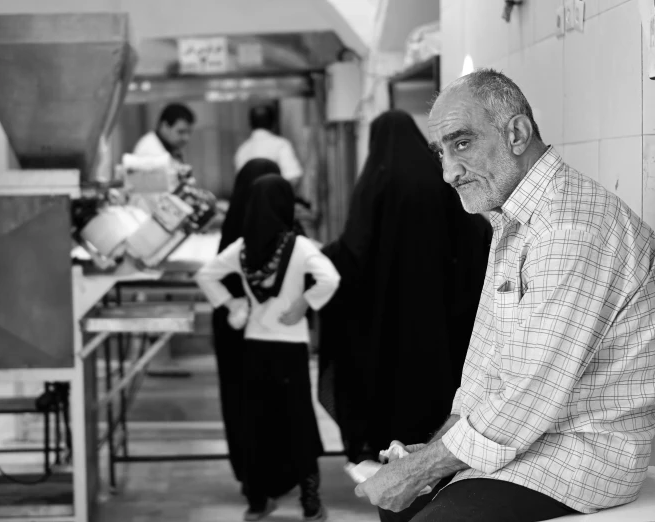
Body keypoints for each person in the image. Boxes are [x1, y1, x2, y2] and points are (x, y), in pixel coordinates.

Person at [355, 69, 655, 522]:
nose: (448, 173)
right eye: (440, 152)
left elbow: (528, 397)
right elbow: (483, 370)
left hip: (583, 453)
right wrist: (430, 455)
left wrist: (422, 469)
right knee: (402, 506)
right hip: (533, 439)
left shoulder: (570, 228)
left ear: (516, 133)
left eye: (461, 143)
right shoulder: (513, 218)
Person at [318, 109, 491, 469]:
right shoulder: (440, 178)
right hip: (440, 318)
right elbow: (476, 236)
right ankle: (437, 454)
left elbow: (355, 250)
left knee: (387, 379)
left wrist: (320, 259)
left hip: (385, 318)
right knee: (439, 381)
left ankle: (387, 451)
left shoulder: (374, 182)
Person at [196, 175, 339, 522]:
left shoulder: (242, 248)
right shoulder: (299, 246)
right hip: (290, 348)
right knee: (299, 422)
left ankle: (257, 502)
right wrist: (305, 303)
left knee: (256, 422)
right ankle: (309, 501)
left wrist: (233, 306)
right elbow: (331, 278)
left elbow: (206, 275)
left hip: (254, 347)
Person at [212, 158, 285, 490]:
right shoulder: (287, 235)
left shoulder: (230, 239)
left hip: (234, 335)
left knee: (240, 400)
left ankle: (251, 475)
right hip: (278, 338)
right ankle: (280, 471)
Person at [123, 103, 196, 191]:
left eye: (189, 132)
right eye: (181, 132)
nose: (186, 138)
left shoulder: (168, 147)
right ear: (165, 126)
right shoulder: (150, 151)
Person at [234, 104, 303, 188]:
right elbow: (293, 177)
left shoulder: (242, 150)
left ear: (250, 124)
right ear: (273, 123)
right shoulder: (281, 145)